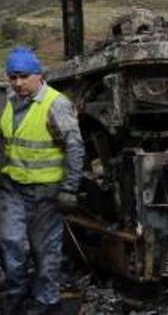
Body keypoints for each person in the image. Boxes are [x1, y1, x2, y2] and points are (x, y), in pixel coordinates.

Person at [0, 47, 84, 315]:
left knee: (44, 249)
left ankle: (47, 300)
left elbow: (75, 147)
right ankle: (15, 295)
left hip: (46, 193)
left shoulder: (55, 103)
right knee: (11, 243)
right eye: (12, 77)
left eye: (24, 77)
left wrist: (70, 188)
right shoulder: (10, 102)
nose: (18, 83)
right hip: (13, 186)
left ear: (39, 75)